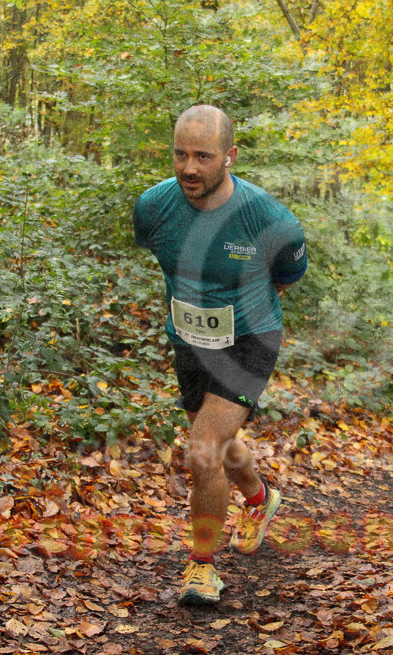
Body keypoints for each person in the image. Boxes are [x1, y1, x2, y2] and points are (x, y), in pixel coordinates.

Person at [132, 105, 308, 605]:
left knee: (203, 445)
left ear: (229, 156)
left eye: (203, 156)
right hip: (188, 338)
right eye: (181, 155)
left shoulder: (272, 222)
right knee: (216, 442)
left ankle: (201, 568)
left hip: (250, 339)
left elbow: (284, 282)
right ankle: (260, 499)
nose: (189, 168)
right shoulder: (152, 207)